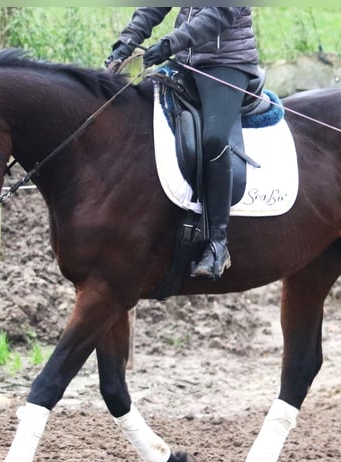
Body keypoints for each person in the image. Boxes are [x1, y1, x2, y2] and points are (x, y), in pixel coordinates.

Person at [105, 7, 260, 280]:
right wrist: (126, 42)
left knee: (213, 139)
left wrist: (168, 44)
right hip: (185, 61)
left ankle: (217, 244)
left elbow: (219, 13)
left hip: (228, 64)